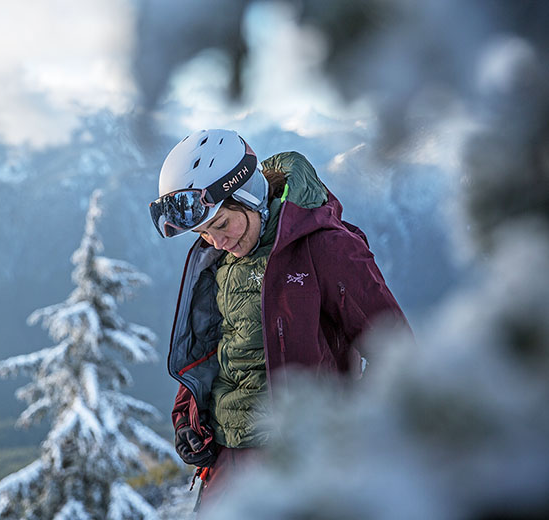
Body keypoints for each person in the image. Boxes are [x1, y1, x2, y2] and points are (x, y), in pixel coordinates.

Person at [148, 129, 411, 512]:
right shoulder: (221, 260)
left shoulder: (323, 246)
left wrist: (355, 428)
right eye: (204, 232)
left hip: (303, 460)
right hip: (228, 461)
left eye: (221, 224)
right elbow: (212, 348)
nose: (217, 242)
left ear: (249, 196)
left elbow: (395, 348)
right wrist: (187, 416)